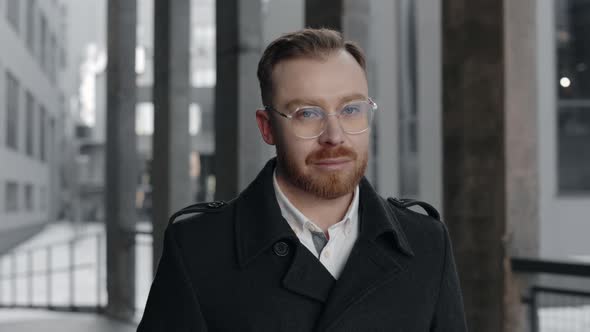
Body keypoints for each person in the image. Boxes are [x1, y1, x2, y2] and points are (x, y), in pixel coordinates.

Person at [137, 28, 467, 332]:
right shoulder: (198, 249)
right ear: (267, 127)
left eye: (351, 109)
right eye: (307, 114)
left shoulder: (427, 244)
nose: (334, 136)